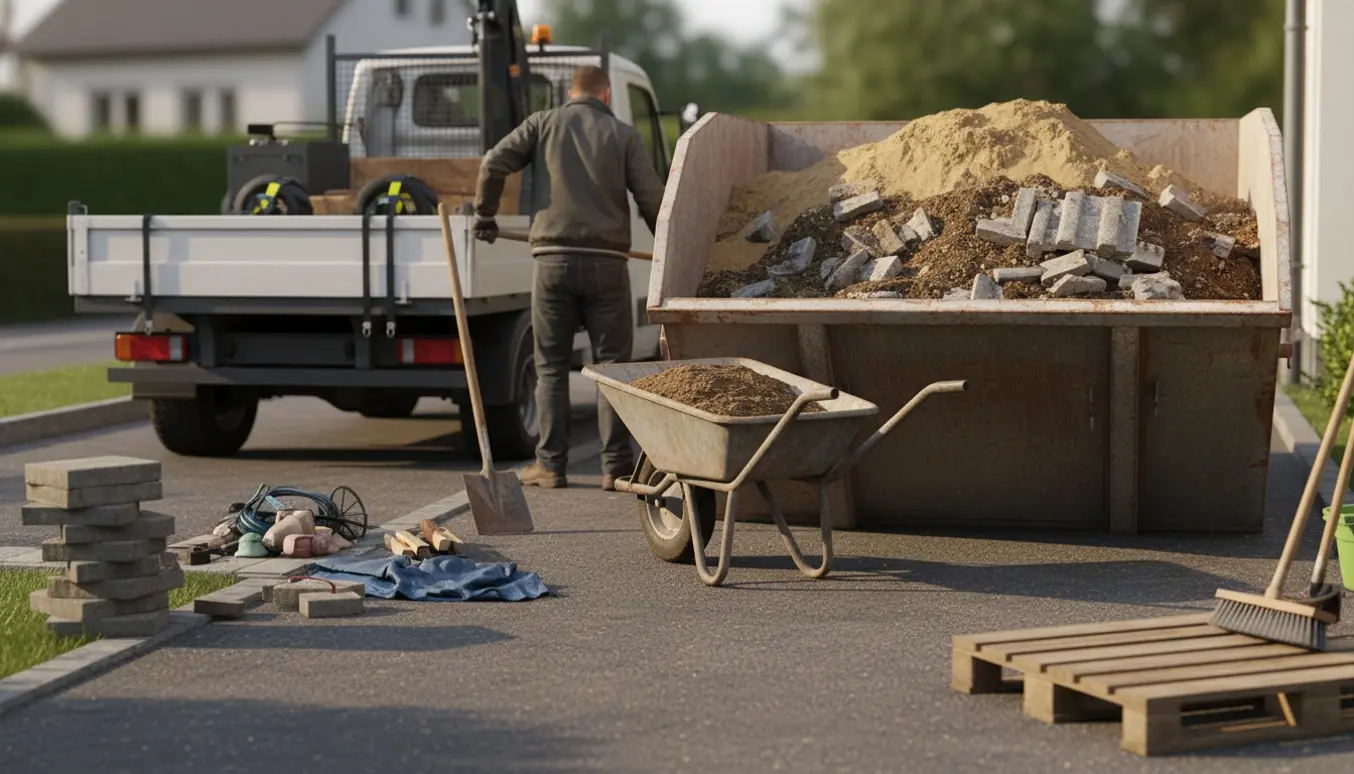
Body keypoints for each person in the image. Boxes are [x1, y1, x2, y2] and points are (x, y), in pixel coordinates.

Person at [473, 64, 666, 491]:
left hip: (553, 264)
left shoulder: (542, 124)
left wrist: (485, 215)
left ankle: (550, 466)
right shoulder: (624, 136)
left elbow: (493, 163)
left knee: (552, 368)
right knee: (613, 368)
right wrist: (668, 251)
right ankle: (615, 467)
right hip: (607, 265)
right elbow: (653, 199)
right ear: (607, 95)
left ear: (570, 92)